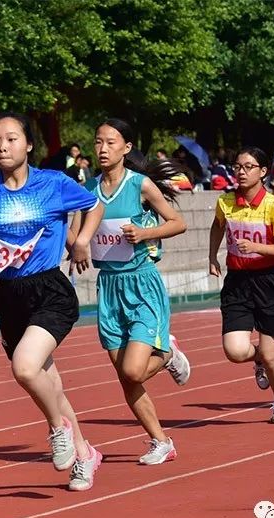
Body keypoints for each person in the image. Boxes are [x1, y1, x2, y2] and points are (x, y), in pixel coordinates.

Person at [0, 112, 105, 491]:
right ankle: (85, 454)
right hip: (10, 296)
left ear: (28, 145)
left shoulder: (53, 183)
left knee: (25, 368)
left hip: (50, 289)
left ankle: (57, 428)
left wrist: (80, 240)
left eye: (12, 139)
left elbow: (93, 204)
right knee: (50, 384)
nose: (3, 146)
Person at [75, 118, 190, 465]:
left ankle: (169, 354)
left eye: (111, 142)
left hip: (141, 284)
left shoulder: (140, 185)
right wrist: (75, 245)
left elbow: (177, 223)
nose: (103, 148)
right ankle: (161, 441)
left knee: (133, 371)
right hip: (108, 289)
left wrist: (144, 234)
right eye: (98, 142)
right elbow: (78, 234)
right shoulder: (87, 190)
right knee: (125, 378)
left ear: (126, 148)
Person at [208, 147, 274, 423]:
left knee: (272, 356)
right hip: (237, 282)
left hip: (268, 282)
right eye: (237, 167)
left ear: (263, 172)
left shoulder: (273, 206)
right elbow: (217, 226)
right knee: (234, 351)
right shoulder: (226, 202)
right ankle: (257, 358)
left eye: (248, 167)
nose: (241, 172)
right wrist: (212, 256)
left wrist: (256, 247)